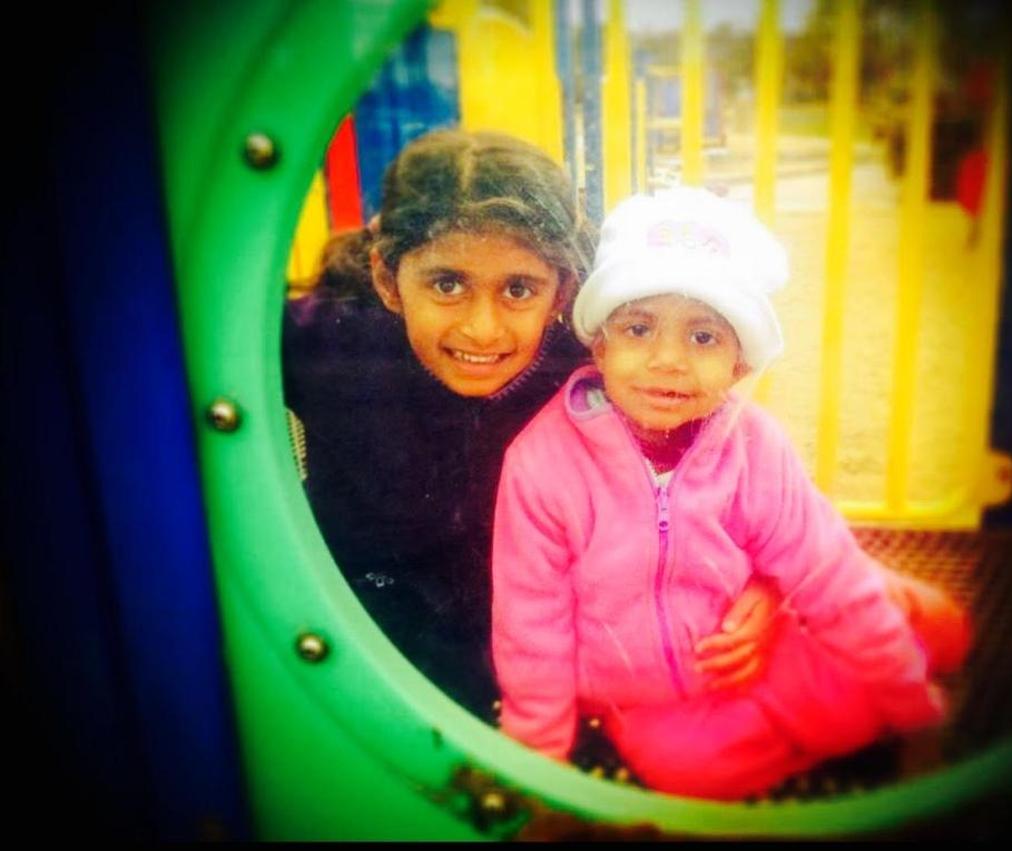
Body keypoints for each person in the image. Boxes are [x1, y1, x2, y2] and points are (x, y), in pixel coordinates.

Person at [281, 130, 776, 724]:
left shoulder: (591, 372)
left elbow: (719, 462)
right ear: (389, 279)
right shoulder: (329, 345)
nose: (483, 329)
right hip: (357, 626)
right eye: (447, 284)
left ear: (561, 289)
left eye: (519, 289)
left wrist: (768, 581)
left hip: (539, 638)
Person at [491, 187, 962, 799]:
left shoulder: (754, 447)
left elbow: (826, 573)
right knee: (689, 769)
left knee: (922, 634)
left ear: (741, 364)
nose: (668, 360)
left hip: (765, 643)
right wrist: (538, 770)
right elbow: (531, 630)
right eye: (638, 328)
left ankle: (903, 621)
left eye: (705, 338)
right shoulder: (541, 466)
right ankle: (848, 689)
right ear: (599, 345)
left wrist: (910, 705)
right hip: (646, 698)